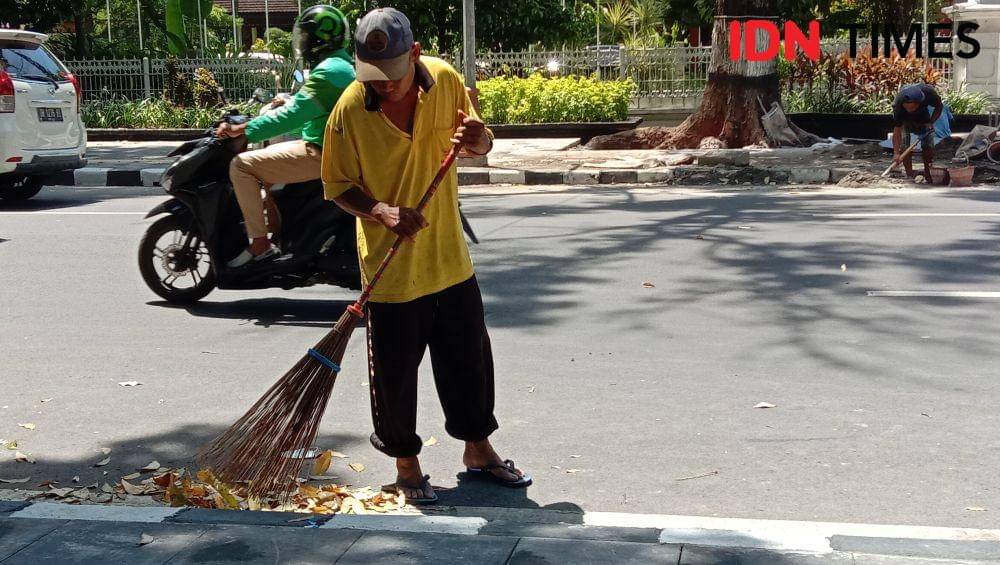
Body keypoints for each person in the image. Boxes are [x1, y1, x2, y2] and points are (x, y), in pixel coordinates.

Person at [321, 7, 531, 504]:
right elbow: (336, 187)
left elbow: (477, 138)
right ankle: (407, 465)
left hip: (450, 260)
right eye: (372, 77)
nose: (384, 87)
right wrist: (381, 210)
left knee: (469, 361)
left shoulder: (446, 80)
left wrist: (482, 141)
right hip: (392, 269)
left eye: (392, 76)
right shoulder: (350, 110)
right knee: (394, 374)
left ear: (413, 55)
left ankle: (478, 449)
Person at [216, 5, 355, 267]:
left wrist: (244, 129)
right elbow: (310, 105)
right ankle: (280, 236)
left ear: (316, 40)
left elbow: (291, 117)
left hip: (322, 152)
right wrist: (289, 100)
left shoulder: (328, 72)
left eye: (305, 36)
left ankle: (260, 243)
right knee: (268, 175)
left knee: (242, 166)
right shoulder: (341, 66)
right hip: (331, 147)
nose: (302, 42)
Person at [891, 83, 943, 179]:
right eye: (907, 108)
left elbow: (939, 106)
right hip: (905, 120)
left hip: (923, 117)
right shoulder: (898, 106)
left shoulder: (929, 94)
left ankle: (928, 174)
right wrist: (896, 153)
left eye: (913, 108)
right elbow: (897, 130)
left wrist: (931, 122)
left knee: (928, 146)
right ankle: (910, 175)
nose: (910, 110)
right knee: (904, 146)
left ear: (919, 103)